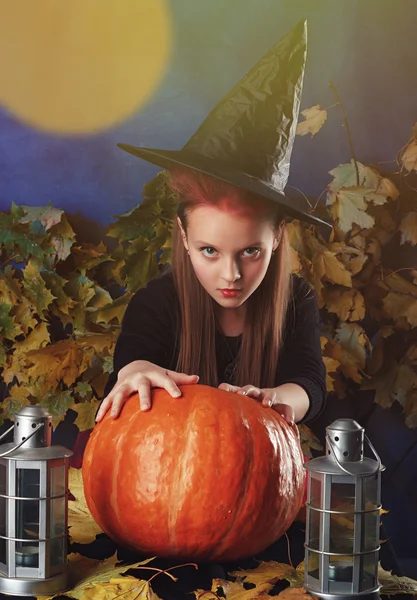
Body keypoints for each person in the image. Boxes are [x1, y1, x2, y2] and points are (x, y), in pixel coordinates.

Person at [96, 20, 331, 426]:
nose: (231, 274)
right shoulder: (157, 302)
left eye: (250, 252)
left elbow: (309, 381)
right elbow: (134, 356)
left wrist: (276, 398)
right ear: (184, 237)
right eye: (209, 250)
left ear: (276, 237)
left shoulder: (295, 300)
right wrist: (134, 372)